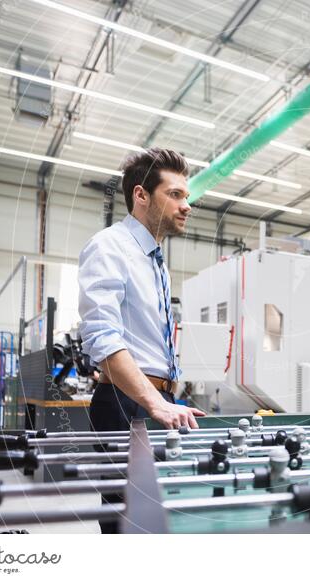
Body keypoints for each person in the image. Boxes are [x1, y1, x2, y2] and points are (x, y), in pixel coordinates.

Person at [78, 148, 205, 434]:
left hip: (156, 399)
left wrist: (165, 399)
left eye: (186, 197)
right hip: (128, 404)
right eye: (175, 195)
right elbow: (102, 335)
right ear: (141, 195)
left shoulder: (154, 260)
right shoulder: (110, 246)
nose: (187, 206)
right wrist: (154, 402)